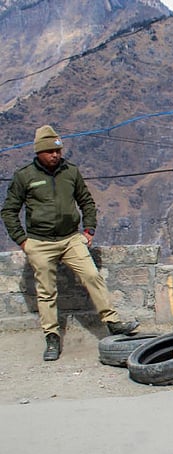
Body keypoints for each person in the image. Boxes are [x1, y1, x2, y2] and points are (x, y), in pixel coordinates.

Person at [1, 125, 140, 362]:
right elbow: (9, 211)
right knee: (46, 292)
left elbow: (86, 201)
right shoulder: (25, 176)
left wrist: (89, 230)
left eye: (58, 151)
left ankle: (113, 322)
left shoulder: (70, 172)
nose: (55, 155)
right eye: (50, 151)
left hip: (70, 239)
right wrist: (23, 242)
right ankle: (52, 337)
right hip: (40, 242)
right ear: (39, 153)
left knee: (92, 276)